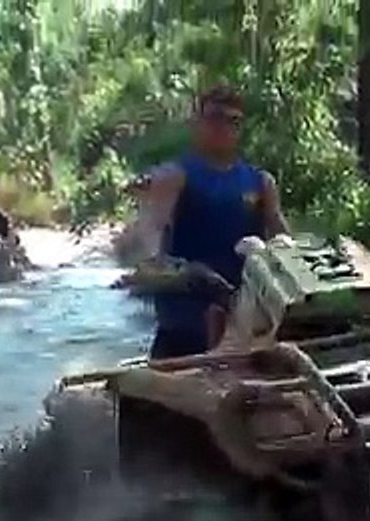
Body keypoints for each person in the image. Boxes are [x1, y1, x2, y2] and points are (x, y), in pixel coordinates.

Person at [123, 85, 290, 360]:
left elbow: (283, 239)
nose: (222, 127)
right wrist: (153, 261)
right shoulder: (176, 175)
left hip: (243, 322)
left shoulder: (260, 182)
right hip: (185, 321)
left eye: (232, 120)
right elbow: (152, 225)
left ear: (240, 127)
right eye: (214, 117)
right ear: (198, 123)